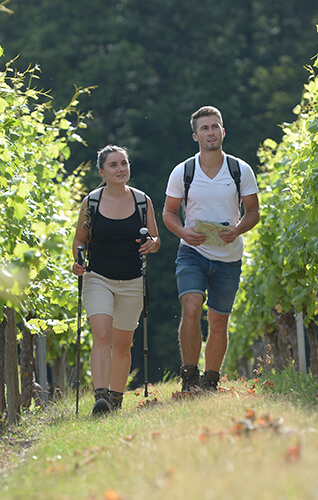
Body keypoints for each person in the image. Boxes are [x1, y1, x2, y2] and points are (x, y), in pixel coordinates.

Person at [163, 106, 259, 392]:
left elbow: (253, 211)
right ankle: (189, 376)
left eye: (214, 127)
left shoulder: (240, 170)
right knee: (191, 308)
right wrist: (183, 232)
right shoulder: (183, 171)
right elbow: (168, 212)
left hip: (229, 256)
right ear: (196, 136)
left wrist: (237, 230)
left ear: (223, 131)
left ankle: (210, 381)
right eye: (204, 128)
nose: (210, 132)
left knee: (218, 321)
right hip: (192, 252)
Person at [72, 145, 160, 415]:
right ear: (102, 171)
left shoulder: (143, 201)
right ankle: (100, 397)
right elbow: (79, 239)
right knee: (101, 334)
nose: (121, 169)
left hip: (132, 281)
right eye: (113, 165)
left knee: (122, 345)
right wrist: (78, 260)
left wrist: (151, 245)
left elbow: (156, 240)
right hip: (99, 277)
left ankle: (115, 400)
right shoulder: (92, 202)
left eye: (124, 163)